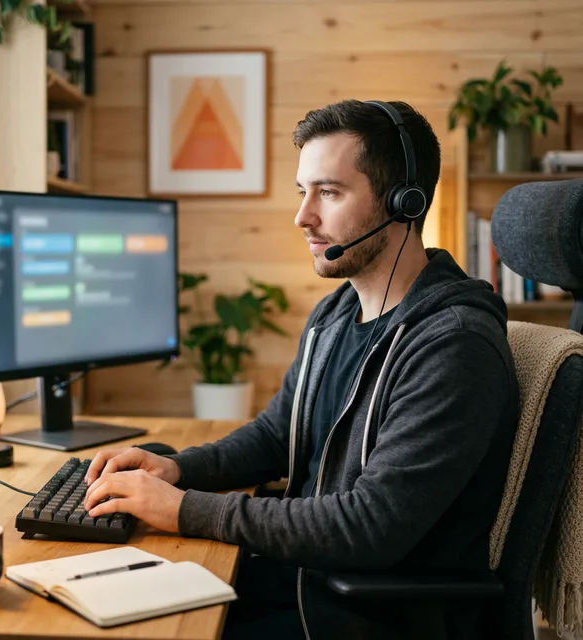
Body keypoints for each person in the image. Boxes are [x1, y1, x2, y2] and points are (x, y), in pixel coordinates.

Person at [83, 99, 519, 639]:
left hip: (354, 616)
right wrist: (177, 470)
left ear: (404, 203)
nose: (303, 215)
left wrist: (185, 510)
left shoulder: (452, 345)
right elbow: (276, 435)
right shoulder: (338, 312)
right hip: (297, 580)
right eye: (302, 191)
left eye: (329, 193)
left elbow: (369, 525)